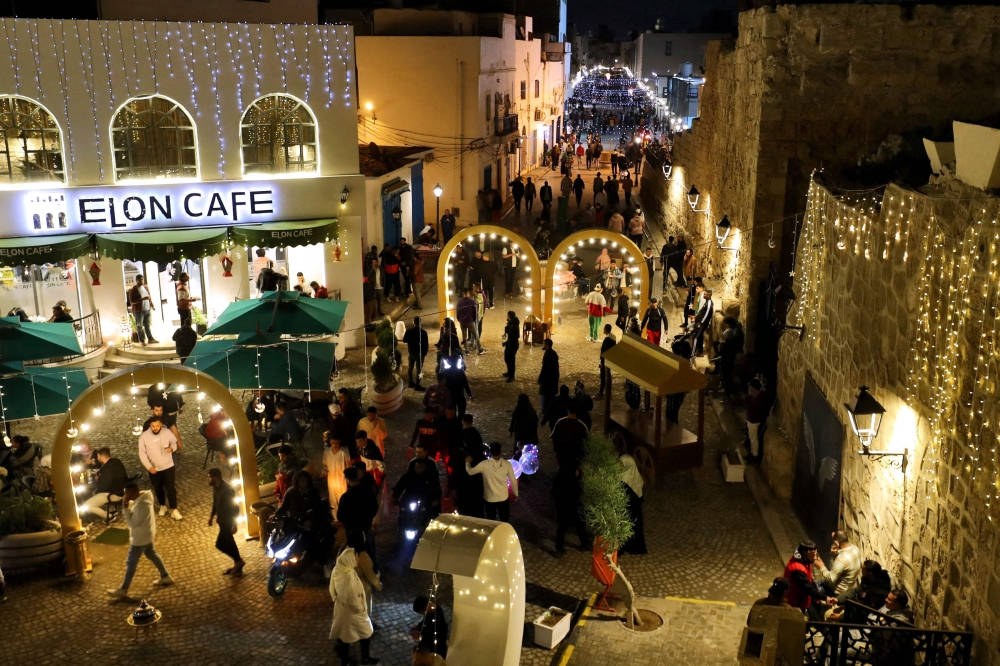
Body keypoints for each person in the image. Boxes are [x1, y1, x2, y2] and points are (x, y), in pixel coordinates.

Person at [107, 482, 174, 598]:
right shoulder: (144, 499)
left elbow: (133, 523)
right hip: (147, 534)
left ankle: (123, 589)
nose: (124, 496)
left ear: (132, 493)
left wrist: (125, 508)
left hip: (140, 538)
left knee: (131, 562)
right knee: (152, 554)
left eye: (126, 493)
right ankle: (165, 576)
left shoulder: (141, 506)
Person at [329, 544, 378, 666]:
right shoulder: (348, 578)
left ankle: (347, 661)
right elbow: (353, 599)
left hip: (341, 610)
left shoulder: (339, 568)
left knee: (344, 636)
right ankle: (361, 659)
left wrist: (336, 598)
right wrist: (361, 609)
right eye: (356, 557)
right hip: (353, 613)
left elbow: (332, 588)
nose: (357, 559)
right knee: (365, 633)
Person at [137, 417, 182, 520]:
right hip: (154, 469)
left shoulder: (167, 432)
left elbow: (174, 443)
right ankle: (162, 505)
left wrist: (172, 448)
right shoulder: (144, 437)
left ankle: (174, 509)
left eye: (157, 426)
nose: (155, 428)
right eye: (153, 426)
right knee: (158, 488)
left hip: (168, 466)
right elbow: (142, 454)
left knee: (170, 488)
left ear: (161, 425)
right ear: (150, 426)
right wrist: (149, 467)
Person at [465, 442, 517, 522]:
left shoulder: (484, 465)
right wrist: (515, 493)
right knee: (504, 519)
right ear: (500, 451)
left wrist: (468, 463)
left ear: (490, 452)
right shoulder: (507, 464)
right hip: (503, 497)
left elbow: (471, 472)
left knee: (491, 519)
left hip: (489, 498)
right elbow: (513, 480)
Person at [207, 467, 245, 576]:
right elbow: (215, 503)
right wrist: (211, 516)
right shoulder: (215, 487)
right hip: (222, 521)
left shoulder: (227, 489)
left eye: (210, 477)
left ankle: (238, 561)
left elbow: (235, 508)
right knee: (229, 542)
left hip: (228, 521)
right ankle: (238, 562)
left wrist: (234, 524)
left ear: (216, 478)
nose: (208, 479)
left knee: (220, 544)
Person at [338, 467, 380, 565]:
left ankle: (358, 568)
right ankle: (374, 567)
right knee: (369, 547)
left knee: (354, 550)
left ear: (347, 479)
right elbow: (375, 506)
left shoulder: (346, 497)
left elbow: (340, 516)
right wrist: (369, 517)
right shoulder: (368, 491)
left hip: (352, 529)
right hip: (366, 524)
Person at [783, 541, 836, 618]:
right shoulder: (797, 569)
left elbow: (810, 579)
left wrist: (817, 595)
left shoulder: (806, 560)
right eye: (812, 555)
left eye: (815, 554)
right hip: (795, 601)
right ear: (806, 553)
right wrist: (825, 598)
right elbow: (807, 588)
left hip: (802, 598)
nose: (815, 558)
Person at [80, 447, 128, 520]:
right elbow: (101, 472)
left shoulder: (108, 470)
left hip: (113, 494)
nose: (97, 458)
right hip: (123, 490)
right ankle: (112, 510)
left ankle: (108, 516)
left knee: (87, 505)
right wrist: (99, 475)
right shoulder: (116, 461)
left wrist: (98, 480)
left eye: (98, 456)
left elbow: (103, 486)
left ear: (102, 457)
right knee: (94, 493)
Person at [814, 530, 862, 599]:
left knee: (811, 591)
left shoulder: (841, 559)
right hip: (849, 588)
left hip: (837, 592)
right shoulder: (855, 548)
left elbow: (830, 579)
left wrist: (821, 566)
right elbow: (841, 567)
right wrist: (834, 555)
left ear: (837, 542)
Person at [619, 452, 647, 554]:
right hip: (631, 509)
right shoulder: (631, 475)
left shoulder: (625, 479)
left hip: (631, 510)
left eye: (622, 464)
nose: (619, 466)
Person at [324, 434, 352, 513]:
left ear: (339, 442)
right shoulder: (327, 452)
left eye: (336, 443)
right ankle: (335, 517)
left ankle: (343, 516)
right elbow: (325, 465)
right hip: (331, 480)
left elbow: (348, 465)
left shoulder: (344, 453)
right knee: (333, 499)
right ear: (330, 442)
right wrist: (324, 472)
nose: (335, 445)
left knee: (342, 498)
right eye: (333, 443)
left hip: (341, 480)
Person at [128, 275, 157, 346]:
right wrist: (142, 299)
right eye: (140, 280)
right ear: (136, 280)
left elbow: (149, 297)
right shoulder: (133, 289)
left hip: (147, 309)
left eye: (142, 280)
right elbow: (132, 301)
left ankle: (150, 339)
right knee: (140, 326)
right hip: (139, 311)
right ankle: (142, 340)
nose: (141, 281)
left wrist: (152, 305)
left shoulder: (145, 287)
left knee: (147, 325)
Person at [403, 317, 429, 391]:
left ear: (413, 322)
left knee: (410, 368)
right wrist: (425, 353)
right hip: (420, 353)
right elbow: (426, 344)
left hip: (411, 352)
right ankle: (417, 384)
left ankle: (410, 382)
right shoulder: (423, 332)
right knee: (419, 369)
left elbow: (404, 340)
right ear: (420, 323)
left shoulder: (409, 331)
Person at [745, 378, 767, 463]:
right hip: (752, 419)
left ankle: (754, 455)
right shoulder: (757, 397)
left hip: (753, 420)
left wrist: (747, 399)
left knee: (753, 438)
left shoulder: (757, 399)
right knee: (752, 437)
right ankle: (752, 453)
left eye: (750, 389)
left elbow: (750, 407)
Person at [538, 338, 559, 414]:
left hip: (548, 379)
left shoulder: (548, 355)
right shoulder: (554, 353)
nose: (543, 346)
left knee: (546, 395)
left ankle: (546, 409)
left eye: (544, 344)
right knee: (551, 395)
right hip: (553, 379)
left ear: (547, 345)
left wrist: (540, 378)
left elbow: (545, 368)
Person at [597, 324, 617, 397]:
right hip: (610, 360)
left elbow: (604, 352)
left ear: (605, 329)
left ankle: (601, 392)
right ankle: (608, 391)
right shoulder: (613, 338)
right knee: (608, 376)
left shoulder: (607, 340)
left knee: (603, 377)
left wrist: (602, 362)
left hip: (605, 361)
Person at [502, 310, 519, 382]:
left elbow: (514, 337)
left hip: (513, 345)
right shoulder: (511, 323)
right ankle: (509, 372)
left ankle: (512, 376)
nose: (507, 317)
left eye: (508, 316)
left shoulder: (514, 326)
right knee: (507, 358)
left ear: (510, 317)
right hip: (509, 344)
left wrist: (505, 343)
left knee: (511, 361)